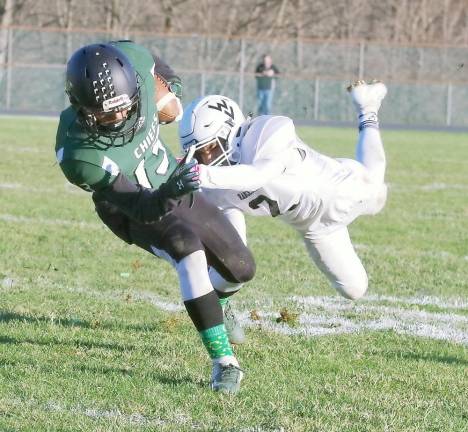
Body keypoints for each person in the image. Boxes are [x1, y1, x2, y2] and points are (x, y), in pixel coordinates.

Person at [54, 41, 256, 394]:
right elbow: (146, 208)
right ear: (81, 106)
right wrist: (172, 189)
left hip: (169, 180)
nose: (118, 119)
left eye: (124, 108)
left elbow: (149, 59)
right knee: (188, 251)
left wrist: (170, 87)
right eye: (104, 115)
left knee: (241, 267)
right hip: (131, 209)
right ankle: (224, 362)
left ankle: (217, 307)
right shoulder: (80, 154)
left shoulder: (134, 68)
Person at [179, 80, 388, 305]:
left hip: (341, 190)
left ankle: (367, 110)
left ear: (230, 132)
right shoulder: (214, 182)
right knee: (355, 289)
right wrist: (226, 270)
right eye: (198, 154)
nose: (206, 160)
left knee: (377, 187)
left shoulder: (267, 130)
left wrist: (202, 174)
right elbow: (233, 237)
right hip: (314, 227)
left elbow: (259, 175)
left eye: (210, 148)